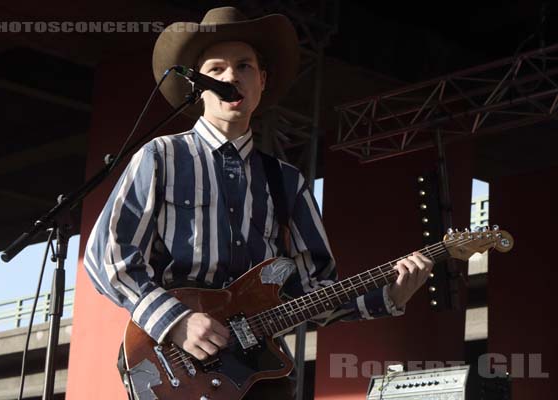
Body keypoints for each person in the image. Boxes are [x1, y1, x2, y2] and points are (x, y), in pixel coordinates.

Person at [83, 6, 433, 399]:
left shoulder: (287, 182)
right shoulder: (161, 157)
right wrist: (176, 321)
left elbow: (314, 291)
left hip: (258, 369)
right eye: (216, 69)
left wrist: (388, 296)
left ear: (262, 82)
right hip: (173, 361)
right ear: (197, 86)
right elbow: (106, 255)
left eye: (244, 66)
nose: (231, 76)